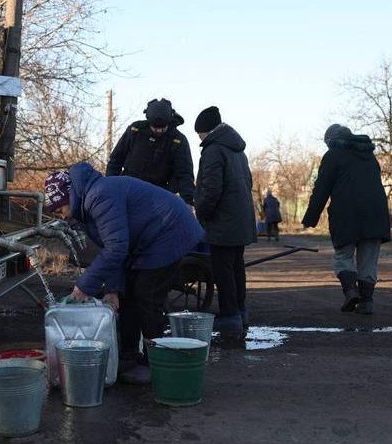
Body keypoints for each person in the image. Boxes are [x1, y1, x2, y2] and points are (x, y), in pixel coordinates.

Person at [44, 162, 205, 384]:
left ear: (68, 197)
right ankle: (129, 357)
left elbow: (117, 248)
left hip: (169, 232)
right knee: (127, 292)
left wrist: (84, 286)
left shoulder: (99, 196)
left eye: (59, 209)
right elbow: (112, 248)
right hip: (147, 239)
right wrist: (112, 290)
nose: (61, 215)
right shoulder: (87, 205)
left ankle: (154, 362)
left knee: (146, 295)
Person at [302, 124, 391, 314]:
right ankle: (366, 301)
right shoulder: (370, 156)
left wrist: (311, 218)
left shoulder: (333, 156)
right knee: (368, 260)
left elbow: (321, 188)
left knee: (343, 257)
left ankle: (351, 292)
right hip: (375, 215)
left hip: (346, 216)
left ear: (331, 141)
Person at [192, 106, 256, 339]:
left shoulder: (213, 151)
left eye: (199, 134)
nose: (199, 139)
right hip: (239, 218)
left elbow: (210, 189)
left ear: (207, 132)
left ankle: (229, 317)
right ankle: (240, 312)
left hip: (222, 220)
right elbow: (247, 182)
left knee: (222, 270)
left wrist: (202, 213)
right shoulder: (238, 150)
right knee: (236, 267)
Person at [106, 98, 195, 206]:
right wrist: (110, 187)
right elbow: (115, 160)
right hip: (128, 190)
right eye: (155, 128)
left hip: (158, 197)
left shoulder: (178, 140)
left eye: (162, 128)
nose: (158, 131)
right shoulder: (135, 130)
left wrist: (188, 201)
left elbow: (185, 174)